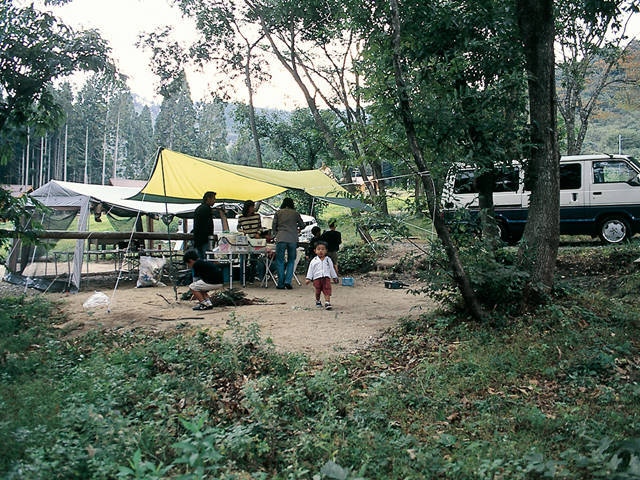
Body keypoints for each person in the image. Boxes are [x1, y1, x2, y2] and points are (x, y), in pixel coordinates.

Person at [271, 197, 305, 289]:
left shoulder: (278, 213)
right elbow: (302, 225)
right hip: (292, 239)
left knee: (280, 260)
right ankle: (288, 281)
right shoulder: (295, 213)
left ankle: (280, 283)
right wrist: (297, 228)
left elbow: (274, 226)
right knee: (291, 260)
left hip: (281, 238)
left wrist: (275, 235)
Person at [305, 241, 339, 310]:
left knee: (327, 289)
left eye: (323, 249)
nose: (321, 251)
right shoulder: (314, 261)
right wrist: (308, 278)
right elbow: (310, 270)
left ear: (326, 251)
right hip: (317, 278)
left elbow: (331, 269)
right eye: (318, 249)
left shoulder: (328, 260)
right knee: (318, 291)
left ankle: (327, 302)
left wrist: (334, 277)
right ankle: (318, 300)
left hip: (326, 278)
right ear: (315, 251)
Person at [237, 200, 264, 282]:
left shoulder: (257, 216)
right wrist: (242, 232)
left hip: (255, 240)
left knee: (253, 260)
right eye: (251, 207)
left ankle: (251, 278)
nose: (253, 208)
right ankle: (243, 279)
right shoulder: (241, 217)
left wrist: (258, 233)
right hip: (245, 240)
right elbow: (238, 228)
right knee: (243, 260)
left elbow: (260, 227)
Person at [192, 191, 217, 259]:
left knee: (200, 260)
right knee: (208, 259)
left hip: (197, 239)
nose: (214, 201)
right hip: (205, 239)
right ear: (208, 199)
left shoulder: (198, 208)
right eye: (213, 199)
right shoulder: (207, 209)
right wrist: (210, 236)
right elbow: (208, 225)